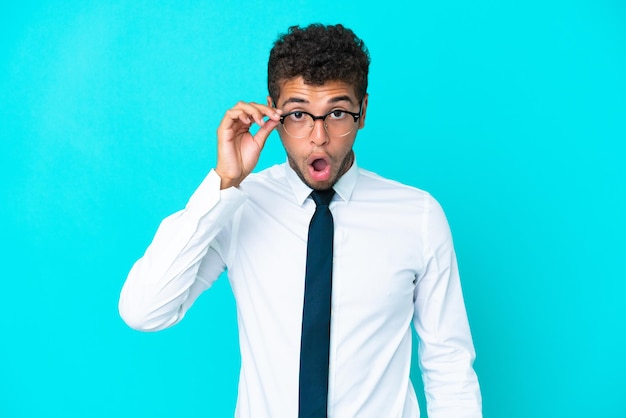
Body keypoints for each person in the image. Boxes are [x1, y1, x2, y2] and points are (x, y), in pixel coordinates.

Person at [119, 23, 482, 418]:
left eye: (338, 113)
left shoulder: (418, 215)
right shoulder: (239, 205)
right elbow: (144, 310)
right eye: (298, 115)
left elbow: (449, 365)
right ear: (271, 113)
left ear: (363, 113)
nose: (318, 137)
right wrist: (223, 184)